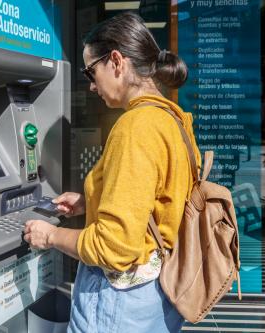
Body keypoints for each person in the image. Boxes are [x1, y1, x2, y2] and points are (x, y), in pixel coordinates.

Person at [23, 11, 202, 333]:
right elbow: (158, 203)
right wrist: (92, 200)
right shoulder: (173, 119)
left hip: (119, 302)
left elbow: (114, 248)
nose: (91, 86)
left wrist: (49, 236)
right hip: (156, 296)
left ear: (116, 62)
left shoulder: (135, 126)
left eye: (90, 72)